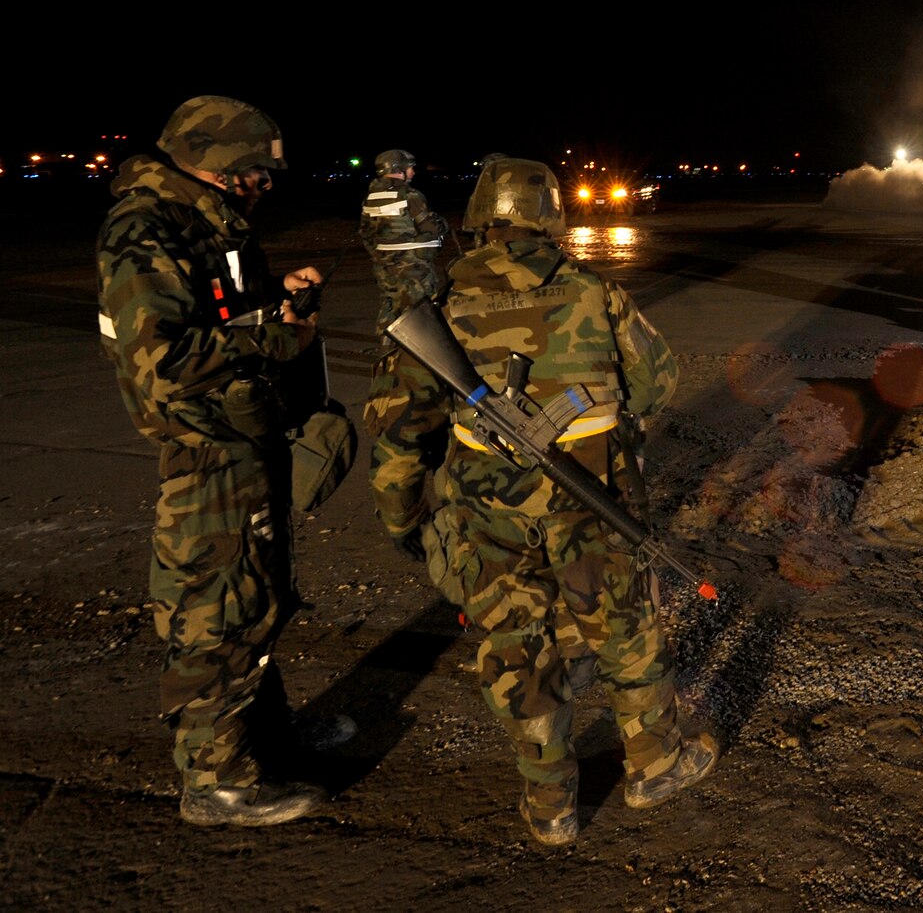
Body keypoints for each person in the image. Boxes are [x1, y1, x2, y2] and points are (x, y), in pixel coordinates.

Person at [366, 156, 716, 846]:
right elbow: (656, 385)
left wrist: (404, 517)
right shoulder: (594, 292)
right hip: (592, 497)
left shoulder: (439, 305)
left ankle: (551, 805)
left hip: (487, 507)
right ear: (550, 218)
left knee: (515, 642)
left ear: (476, 221)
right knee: (623, 627)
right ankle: (655, 764)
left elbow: (398, 428)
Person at [96, 95, 354, 827]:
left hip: (244, 436)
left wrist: (278, 304)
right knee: (217, 608)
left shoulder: (207, 225)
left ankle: (264, 739)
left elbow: (215, 319)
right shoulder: (147, 231)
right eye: (254, 173)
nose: (263, 187)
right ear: (215, 164)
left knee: (258, 595)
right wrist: (276, 340)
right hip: (206, 449)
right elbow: (165, 359)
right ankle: (218, 779)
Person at [357, 148, 449, 342]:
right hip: (413, 269)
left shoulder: (371, 197)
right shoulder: (410, 195)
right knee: (421, 313)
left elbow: (365, 233)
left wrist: (381, 257)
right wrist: (442, 224)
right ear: (400, 169)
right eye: (410, 168)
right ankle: (419, 360)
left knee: (389, 308)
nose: (413, 172)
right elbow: (430, 227)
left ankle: (386, 354)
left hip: (384, 268)